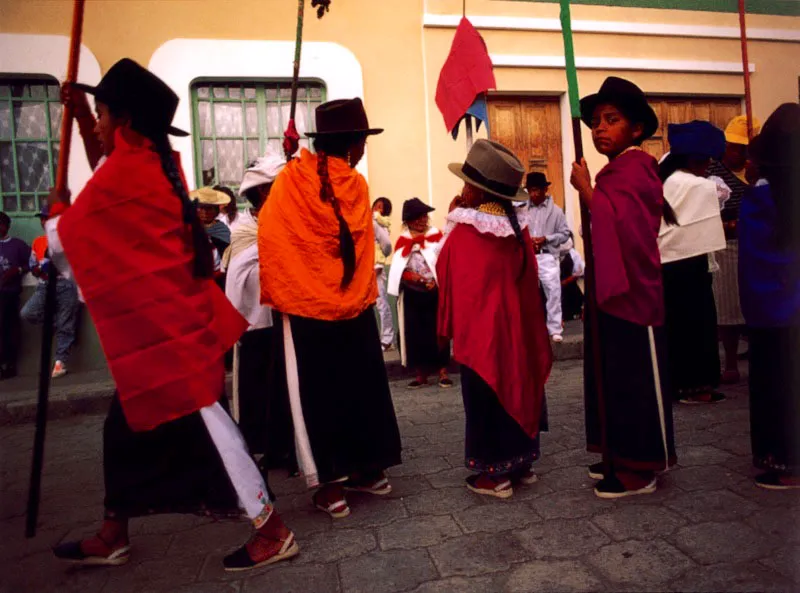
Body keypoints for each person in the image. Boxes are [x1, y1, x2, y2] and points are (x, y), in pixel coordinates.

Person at [47, 58, 296, 572]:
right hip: (167, 330)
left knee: (214, 431)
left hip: (170, 339)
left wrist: (56, 218)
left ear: (125, 121)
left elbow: (68, 237)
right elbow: (106, 176)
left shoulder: (133, 172)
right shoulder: (150, 163)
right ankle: (114, 530)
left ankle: (273, 530)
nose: (95, 125)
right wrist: (76, 120)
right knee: (122, 429)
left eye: (100, 115)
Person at [258, 98, 402, 520]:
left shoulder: (293, 180)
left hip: (309, 305)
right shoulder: (349, 183)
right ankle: (358, 472)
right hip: (345, 305)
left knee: (321, 395)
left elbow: (272, 233)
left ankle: (337, 482)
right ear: (355, 144)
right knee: (359, 386)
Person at [570, 76, 677, 499]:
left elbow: (625, 227)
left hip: (634, 293)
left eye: (611, 120)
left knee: (634, 378)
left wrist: (587, 191)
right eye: (595, 121)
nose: (598, 129)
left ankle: (642, 465)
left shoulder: (636, 169)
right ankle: (618, 452)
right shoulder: (615, 170)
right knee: (612, 375)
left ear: (636, 129)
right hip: (610, 291)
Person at [438, 139, 552, 498]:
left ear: (477, 189)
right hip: (516, 333)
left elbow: (446, 273)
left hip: (482, 337)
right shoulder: (517, 231)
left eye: (466, 184)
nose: (461, 190)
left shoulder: (467, 233)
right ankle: (522, 465)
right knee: (518, 382)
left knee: (487, 393)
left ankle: (495, 475)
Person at [739, 103, 800, 490]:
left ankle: (786, 463)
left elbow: (755, 253)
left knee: (776, 390)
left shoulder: (759, 200)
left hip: (771, 314)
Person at [658, 121, 728, 405]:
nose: (710, 165)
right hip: (690, 265)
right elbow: (723, 195)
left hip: (667, 264)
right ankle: (696, 387)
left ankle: (678, 384)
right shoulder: (698, 185)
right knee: (697, 328)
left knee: (677, 329)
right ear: (696, 159)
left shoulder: (666, 179)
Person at [224, 151, 287, 460]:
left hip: (285, 318)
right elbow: (235, 281)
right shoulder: (245, 232)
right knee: (256, 385)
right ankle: (260, 446)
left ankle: (284, 443)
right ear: (264, 191)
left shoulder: (286, 225)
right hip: (254, 323)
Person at [707, 114, 761, 384]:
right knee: (728, 305)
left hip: (758, 244)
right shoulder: (713, 171)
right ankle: (729, 361)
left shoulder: (761, 170)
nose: (738, 152)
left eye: (744, 147)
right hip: (727, 245)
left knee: (758, 304)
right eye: (734, 146)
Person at [387, 198, 451, 389]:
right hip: (413, 294)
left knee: (438, 330)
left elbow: (442, 262)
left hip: (434, 291)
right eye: (419, 217)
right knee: (415, 333)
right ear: (409, 220)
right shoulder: (403, 241)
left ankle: (442, 371)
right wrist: (415, 278)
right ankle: (420, 374)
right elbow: (400, 269)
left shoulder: (435, 236)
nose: (424, 220)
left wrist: (434, 281)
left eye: (425, 216)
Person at [20, 207, 80, 378]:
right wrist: (38, 270)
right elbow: (33, 265)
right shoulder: (38, 241)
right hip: (44, 284)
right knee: (27, 313)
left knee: (66, 323)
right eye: (42, 219)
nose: (43, 222)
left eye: (46, 218)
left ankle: (60, 363)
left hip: (66, 284)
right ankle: (54, 324)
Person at [525, 172, 571, 342]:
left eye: (536, 190)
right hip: (529, 255)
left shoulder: (556, 211)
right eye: (530, 190)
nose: (533, 194)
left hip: (547, 256)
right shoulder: (523, 209)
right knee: (527, 292)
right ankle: (530, 327)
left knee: (553, 292)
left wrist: (547, 239)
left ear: (545, 190)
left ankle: (555, 328)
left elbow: (565, 234)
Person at [0, 212, 30, 379]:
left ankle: (9, 364)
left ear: (6, 226)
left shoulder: (17, 245)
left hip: (9, 294)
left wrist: (17, 270)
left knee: (9, 329)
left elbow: (31, 263)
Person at [372, 197, 394, 351]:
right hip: (363, 267)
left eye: (381, 208)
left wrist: (379, 263)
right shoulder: (365, 219)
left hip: (375, 267)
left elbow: (386, 245)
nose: (377, 209)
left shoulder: (379, 223)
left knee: (381, 303)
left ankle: (387, 338)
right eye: (376, 205)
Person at [559, 236, 585, 322]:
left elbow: (578, 272)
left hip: (570, 288)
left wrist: (565, 282)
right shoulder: (552, 253)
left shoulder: (574, 254)